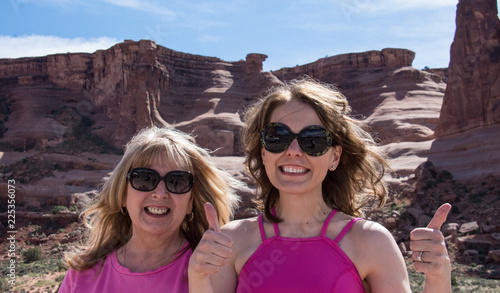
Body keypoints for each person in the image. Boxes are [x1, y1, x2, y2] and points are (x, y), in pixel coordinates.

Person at [189, 77, 452, 293]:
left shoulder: (370, 241)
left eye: (312, 140)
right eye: (277, 137)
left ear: (334, 156)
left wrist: (438, 278)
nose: (293, 151)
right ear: (264, 152)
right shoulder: (233, 240)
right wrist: (199, 279)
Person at [58, 126, 242, 293]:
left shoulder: (212, 269)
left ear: (190, 202)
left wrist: (200, 281)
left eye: (176, 182)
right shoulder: (82, 273)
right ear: (122, 194)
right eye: (144, 179)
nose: (160, 193)